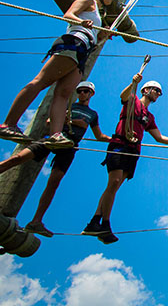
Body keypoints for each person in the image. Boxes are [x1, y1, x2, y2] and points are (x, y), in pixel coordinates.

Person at [0, 0, 115, 148]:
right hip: (74, 42)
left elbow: (95, 38)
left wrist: (104, 34)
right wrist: (81, 22)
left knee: (63, 94)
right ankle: (8, 124)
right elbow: (69, 15)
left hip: (83, 50)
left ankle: (55, 134)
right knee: (41, 81)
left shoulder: (99, 13)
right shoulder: (88, 0)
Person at [82, 75, 168, 244]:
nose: (158, 94)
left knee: (114, 186)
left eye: (160, 93)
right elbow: (122, 96)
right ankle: (105, 224)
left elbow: (159, 137)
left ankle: (95, 222)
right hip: (120, 145)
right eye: (156, 90)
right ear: (146, 90)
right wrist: (134, 83)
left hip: (133, 151)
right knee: (114, 182)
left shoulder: (149, 116)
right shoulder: (132, 100)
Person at [0, 81, 110, 237]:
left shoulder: (92, 114)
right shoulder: (68, 107)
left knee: (53, 183)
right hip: (53, 139)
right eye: (80, 91)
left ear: (91, 94)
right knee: (17, 158)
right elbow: (49, 121)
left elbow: (99, 135)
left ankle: (36, 222)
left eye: (86, 91)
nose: (82, 94)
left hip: (70, 146)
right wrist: (70, 121)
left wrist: (116, 139)